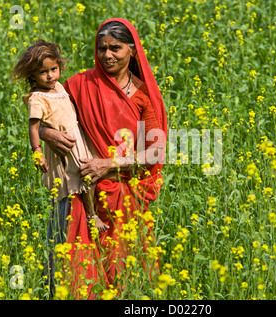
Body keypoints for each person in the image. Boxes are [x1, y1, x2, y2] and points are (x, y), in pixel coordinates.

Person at [40, 18, 167, 299]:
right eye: (101, 48)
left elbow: (156, 151)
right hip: (82, 193)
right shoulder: (79, 84)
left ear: (132, 51)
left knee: (125, 277)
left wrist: (108, 163)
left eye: (115, 48)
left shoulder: (144, 96)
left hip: (124, 196)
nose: (107, 55)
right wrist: (46, 133)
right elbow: (42, 113)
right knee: (76, 276)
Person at [12, 39, 109, 233]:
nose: (50, 76)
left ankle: (91, 213)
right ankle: (92, 216)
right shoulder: (37, 98)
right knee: (84, 176)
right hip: (64, 144)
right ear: (32, 75)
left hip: (77, 137)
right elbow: (33, 127)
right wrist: (37, 151)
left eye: (53, 69)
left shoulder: (60, 88)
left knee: (91, 171)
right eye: (43, 72)